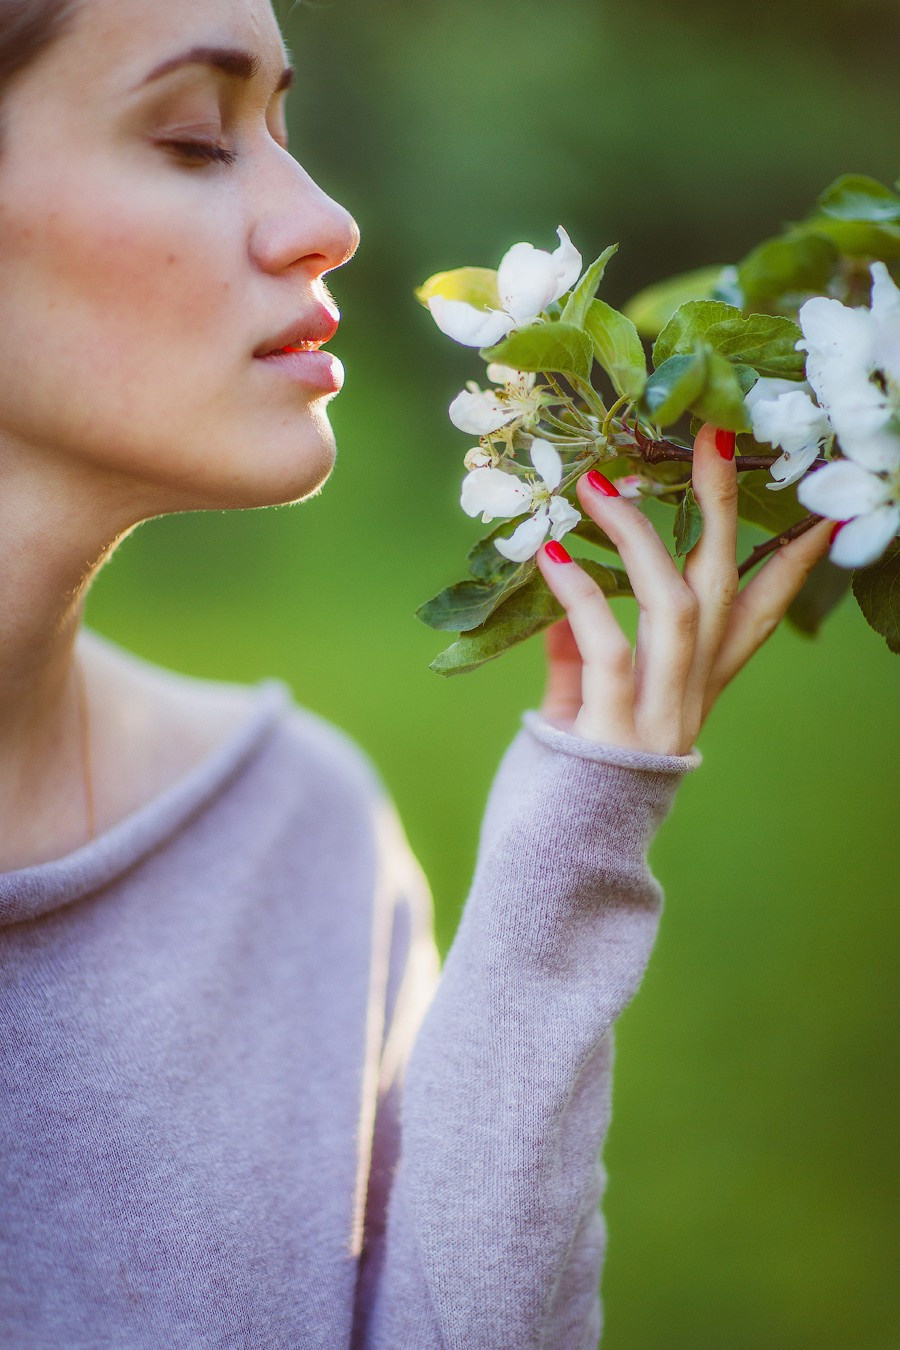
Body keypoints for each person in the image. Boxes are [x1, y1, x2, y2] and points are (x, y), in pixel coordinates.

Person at [0, 0, 834, 1345]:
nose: (327, 219)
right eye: (196, 138)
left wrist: (576, 838)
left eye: (282, 124)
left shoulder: (298, 830)